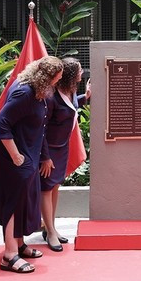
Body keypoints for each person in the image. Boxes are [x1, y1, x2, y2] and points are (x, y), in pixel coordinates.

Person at [0, 56, 62, 272]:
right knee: (13, 202)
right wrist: (15, 156)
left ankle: (19, 244)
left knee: (22, 200)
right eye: (56, 79)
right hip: (13, 153)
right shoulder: (24, 92)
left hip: (26, 151)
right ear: (45, 77)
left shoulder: (37, 91)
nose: (57, 83)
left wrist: (41, 155)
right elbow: (1, 123)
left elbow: (39, 127)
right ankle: (9, 255)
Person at [41, 57, 88, 252]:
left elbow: (71, 106)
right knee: (46, 189)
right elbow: (41, 129)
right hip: (49, 150)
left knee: (55, 186)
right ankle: (50, 232)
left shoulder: (71, 90)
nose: (81, 73)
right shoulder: (51, 96)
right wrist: (45, 157)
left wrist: (85, 97)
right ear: (70, 75)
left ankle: (50, 227)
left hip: (62, 147)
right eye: (79, 70)